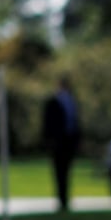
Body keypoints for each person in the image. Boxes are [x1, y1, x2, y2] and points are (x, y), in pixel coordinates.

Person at [42, 76, 82, 212]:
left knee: (67, 171)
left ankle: (66, 198)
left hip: (69, 142)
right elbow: (47, 124)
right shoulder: (52, 102)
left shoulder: (72, 101)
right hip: (58, 143)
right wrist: (50, 141)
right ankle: (61, 199)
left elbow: (76, 123)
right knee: (59, 172)